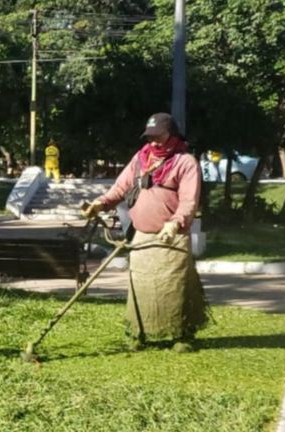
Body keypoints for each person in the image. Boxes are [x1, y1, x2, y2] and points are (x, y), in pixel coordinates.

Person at [82, 112, 208, 352]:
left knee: (172, 288)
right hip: (141, 236)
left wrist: (175, 222)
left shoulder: (185, 162)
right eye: (149, 137)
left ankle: (179, 335)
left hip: (171, 238)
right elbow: (120, 188)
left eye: (157, 137)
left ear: (171, 135)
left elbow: (189, 200)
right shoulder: (141, 159)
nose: (152, 142)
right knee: (140, 287)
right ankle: (138, 333)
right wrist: (100, 203)